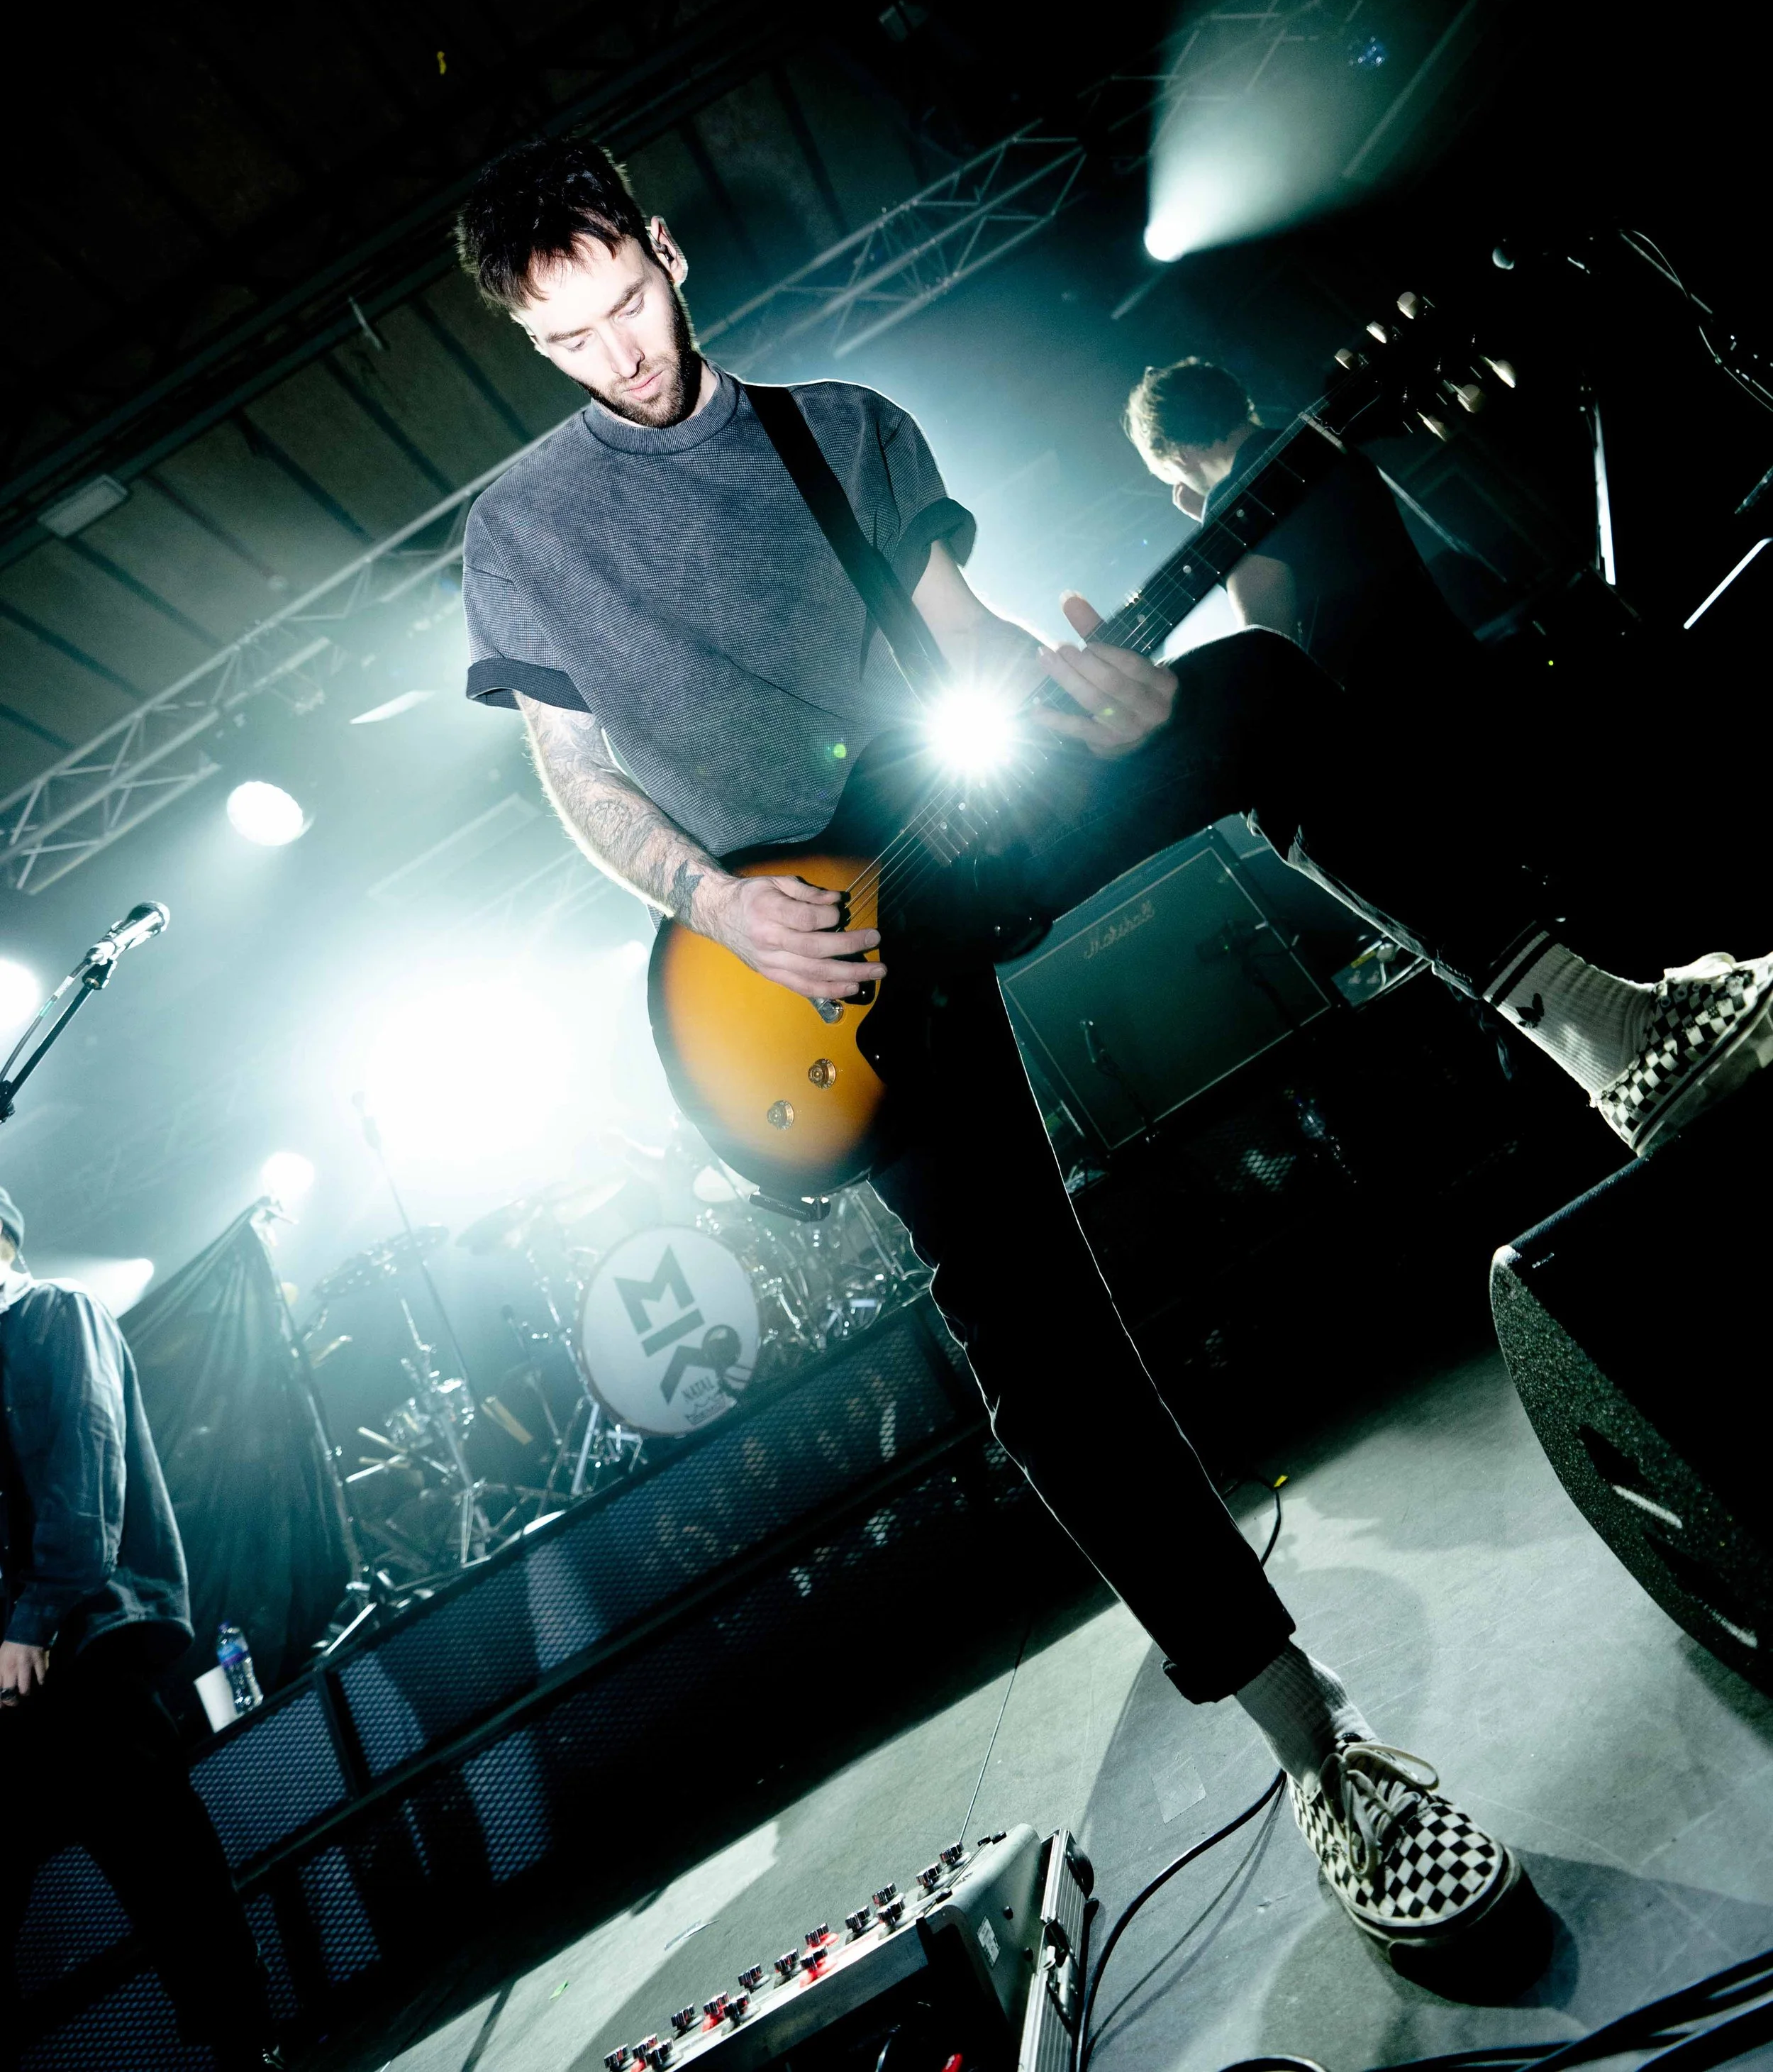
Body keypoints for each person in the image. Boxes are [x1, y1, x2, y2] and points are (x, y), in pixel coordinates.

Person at [452, 136, 1773, 1968]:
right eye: (568, 337)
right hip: (811, 960)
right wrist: (708, 896)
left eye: (628, 302)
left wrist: (1092, 685)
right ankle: (1323, 1750)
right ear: (527, 341)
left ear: (667, 252)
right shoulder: (519, 533)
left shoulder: (839, 423)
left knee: (1247, 694)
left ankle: (1594, 1016)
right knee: (1034, 1341)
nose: (619, 352)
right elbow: (577, 779)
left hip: (950, 809)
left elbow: (959, 636)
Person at [0, 1187, 282, 2072]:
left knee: (167, 1870)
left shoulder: (55, 1312)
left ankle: (250, 2048)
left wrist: (33, 1621)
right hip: (21, 1662)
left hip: (79, 1644)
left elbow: (91, 1462)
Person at [1123, 353, 1476, 698]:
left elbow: (1269, 648)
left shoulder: (1232, 496)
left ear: (1177, 457)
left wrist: (1217, 519)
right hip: (1447, 654)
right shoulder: (1322, 450)